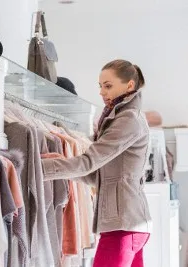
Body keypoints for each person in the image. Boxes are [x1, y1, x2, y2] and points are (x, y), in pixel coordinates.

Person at [41, 59, 152, 267]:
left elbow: (88, 162)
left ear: (129, 85)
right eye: (100, 86)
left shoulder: (128, 120)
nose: (102, 92)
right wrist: (61, 164)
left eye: (108, 86)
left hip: (124, 226)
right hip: (128, 224)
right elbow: (95, 176)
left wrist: (36, 169)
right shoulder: (119, 117)